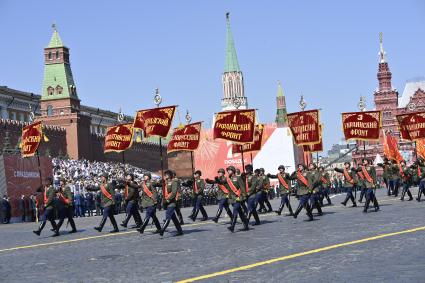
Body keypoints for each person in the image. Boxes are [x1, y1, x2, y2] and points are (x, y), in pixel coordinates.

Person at [215, 166, 249, 232]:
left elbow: (242, 188)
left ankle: (232, 226)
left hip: (237, 198)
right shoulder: (228, 179)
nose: (228, 172)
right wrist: (217, 180)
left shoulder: (238, 178)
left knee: (235, 211)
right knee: (241, 212)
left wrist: (243, 197)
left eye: (229, 170)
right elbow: (221, 182)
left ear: (233, 171)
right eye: (228, 171)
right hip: (232, 199)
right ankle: (246, 225)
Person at [156, 170, 183, 236]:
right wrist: (160, 181)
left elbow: (174, 192)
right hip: (166, 202)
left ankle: (162, 230)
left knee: (168, 216)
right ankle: (180, 231)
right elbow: (157, 184)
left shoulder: (174, 182)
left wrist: (168, 199)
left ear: (170, 175)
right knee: (173, 217)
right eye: (165, 175)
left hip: (172, 202)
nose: (165, 176)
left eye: (166, 175)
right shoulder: (165, 182)